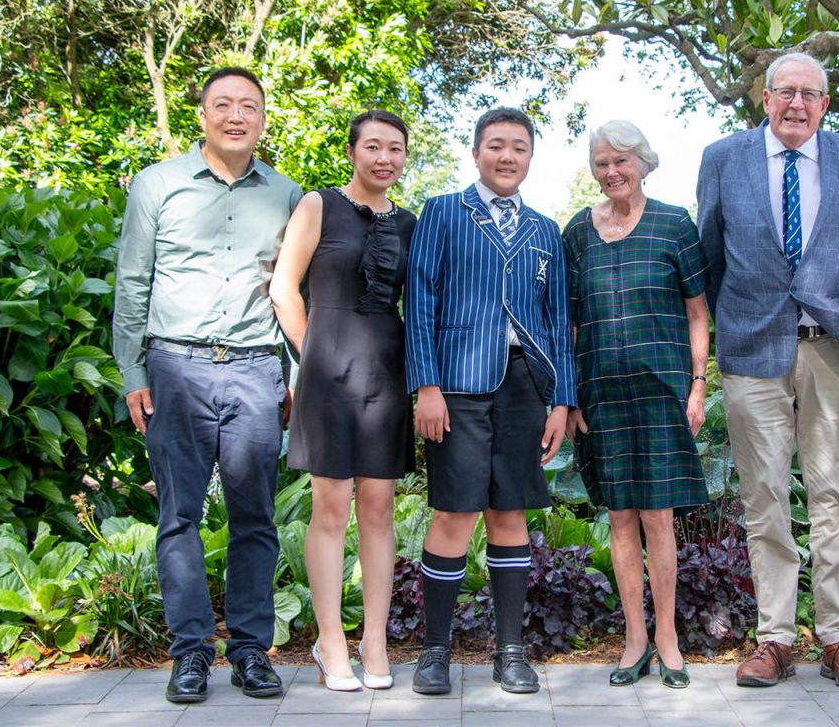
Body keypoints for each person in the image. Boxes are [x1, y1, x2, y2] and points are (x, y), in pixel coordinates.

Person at [113, 67, 301, 703]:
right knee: (179, 517)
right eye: (223, 104)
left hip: (255, 369)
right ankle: (190, 652)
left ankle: (251, 651)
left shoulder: (287, 195)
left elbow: (295, 292)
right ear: (202, 115)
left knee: (255, 517)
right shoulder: (157, 184)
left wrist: (294, 374)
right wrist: (132, 372)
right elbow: (133, 283)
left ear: (263, 120)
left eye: (249, 105)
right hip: (175, 366)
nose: (236, 115)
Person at [696, 51, 839, 690]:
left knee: (835, 495)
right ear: (765, 98)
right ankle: (775, 638)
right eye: (785, 92)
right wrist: (728, 330)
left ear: (826, 104)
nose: (797, 104)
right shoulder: (723, 157)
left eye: (811, 94)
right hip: (751, 349)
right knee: (765, 496)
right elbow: (709, 251)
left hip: (828, 348)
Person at [404, 107, 575, 696]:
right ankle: (434, 652)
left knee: (510, 515)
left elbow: (557, 322)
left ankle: (509, 651)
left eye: (520, 147)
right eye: (497, 145)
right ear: (476, 152)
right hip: (456, 386)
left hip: (526, 387)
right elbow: (419, 302)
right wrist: (425, 384)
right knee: (453, 513)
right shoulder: (444, 213)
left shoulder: (545, 230)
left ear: (530, 158)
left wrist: (561, 401)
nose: (508, 156)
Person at [270, 110, 417, 691]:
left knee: (379, 509)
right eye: (374, 146)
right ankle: (331, 641)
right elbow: (285, 288)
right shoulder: (317, 204)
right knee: (330, 510)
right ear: (353, 151)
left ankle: (375, 640)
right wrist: (314, 357)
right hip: (327, 369)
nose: (385, 158)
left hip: (387, 367)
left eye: (396, 149)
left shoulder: (411, 223)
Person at [562, 120, 710, 689]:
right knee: (619, 518)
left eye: (621, 160)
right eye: (601, 163)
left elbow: (698, 312)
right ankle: (634, 640)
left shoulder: (675, 224)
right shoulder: (577, 232)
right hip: (602, 394)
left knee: (658, 518)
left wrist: (697, 385)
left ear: (644, 164)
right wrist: (572, 396)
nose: (611, 172)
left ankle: (668, 638)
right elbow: (571, 322)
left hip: (662, 393)